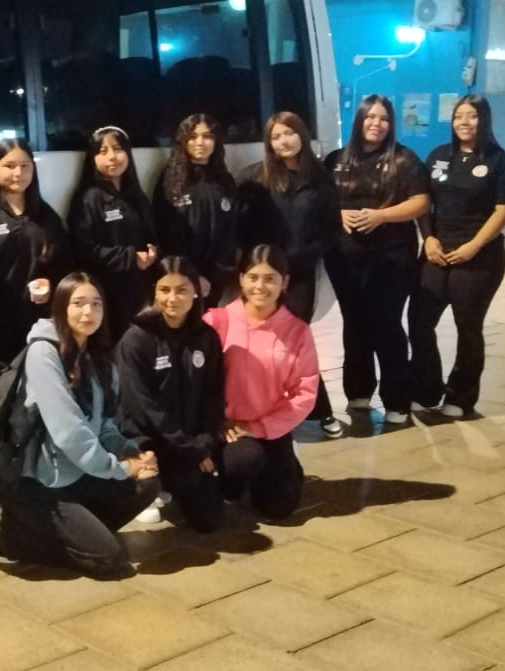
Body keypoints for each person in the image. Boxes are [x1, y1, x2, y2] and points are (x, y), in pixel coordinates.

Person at [0, 273, 160, 576]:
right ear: (61, 308)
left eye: (96, 304)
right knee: (107, 560)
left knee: (147, 482)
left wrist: (130, 452)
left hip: (78, 474)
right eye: (78, 303)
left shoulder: (96, 356)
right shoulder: (44, 353)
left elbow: (103, 422)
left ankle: (76, 531)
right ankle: (12, 536)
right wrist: (119, 468)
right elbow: (69, 433)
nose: (88, 312)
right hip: (39, 484)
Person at [408, 95, 505, 419]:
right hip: (437, 251)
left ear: (483, 120)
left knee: (467, 326)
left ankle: (461, 396)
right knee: (419, 320)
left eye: (472, 116)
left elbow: (503, 211)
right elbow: (423, 202)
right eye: (459, 116)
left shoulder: (500, 161)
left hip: (479, 258)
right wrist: (427, 237)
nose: (464, 122)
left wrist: (475, 245)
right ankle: (426, 389)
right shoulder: (439, 156)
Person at [323, 94, 430, 425]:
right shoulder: (336, 159)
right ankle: (358, 392)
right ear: (359, 120)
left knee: (386, 324)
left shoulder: (404, 159)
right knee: (354, 322)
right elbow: (321, 200)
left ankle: (397, 400)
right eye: (370, 117)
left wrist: (382, 216)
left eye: (383, 118)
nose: (376, 123)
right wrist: (338, 213)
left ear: (391, 123)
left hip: (392, 258)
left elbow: (421, 203)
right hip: (344, 258)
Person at [238, 110, 345, 439]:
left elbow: (331, 231)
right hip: (262, 278)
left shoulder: (320, 180)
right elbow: (244, 230)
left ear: (301, 134)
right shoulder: (257, 178)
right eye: (275, 136)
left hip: (298, 276)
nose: (283, 141)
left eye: (289, 133)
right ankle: (267, 408)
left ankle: (319, 409)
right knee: (259, 341)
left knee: (293, 340)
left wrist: (303, 256)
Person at [204, 245, 320, 521]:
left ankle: (284, 465)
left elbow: (304, 393)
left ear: (285, 282)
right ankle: (229, 485)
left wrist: (258, 428)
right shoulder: (216, 322)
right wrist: (217, 422)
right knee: (243, 461)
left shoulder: (297, 331)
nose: (260, 286)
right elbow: (196, 383)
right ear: (241, 279)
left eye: (270, 278)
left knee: (279, 509)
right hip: (225, 430)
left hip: (270, 427)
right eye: (253, 277)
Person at [115, 257, 226, 533]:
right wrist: (189, 446)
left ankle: (179, 483)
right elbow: (141, 406)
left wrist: (204, 442)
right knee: (153, 475)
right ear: (154, 291)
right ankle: (147, 488)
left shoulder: (206, 337)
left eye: (182, 289)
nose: (173, 298)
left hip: (188, 441)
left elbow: (213, 396)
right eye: (165, 290)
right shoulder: (137, 339)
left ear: (196, 291)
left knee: (209, 521)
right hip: (148, 441)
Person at [0, 138, 69, 368]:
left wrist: (51, 284)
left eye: (25, 165)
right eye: (9, 166)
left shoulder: (46, 215)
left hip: (35, 322)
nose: (18, 172)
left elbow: (65, 263)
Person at [66, 125, 157, 339]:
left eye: (117, 149)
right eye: (102, 151)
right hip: (105, 293)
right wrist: (129, 258)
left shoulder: (136, 196)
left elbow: (150, 235)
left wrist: (152, 252)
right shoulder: (88, 198)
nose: (112, 157)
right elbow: (83, 250)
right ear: (92, 158)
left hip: (139, 291)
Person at [153, 113, 240, 301]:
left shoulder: (224, 180)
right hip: (182, 278)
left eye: (207, 136)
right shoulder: (171, 179)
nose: (200, 142)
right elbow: (166, 233)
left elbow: (230, 231)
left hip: (217, 278)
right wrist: (191, 276)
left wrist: (218, 273)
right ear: (182, 141)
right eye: (192, 137)